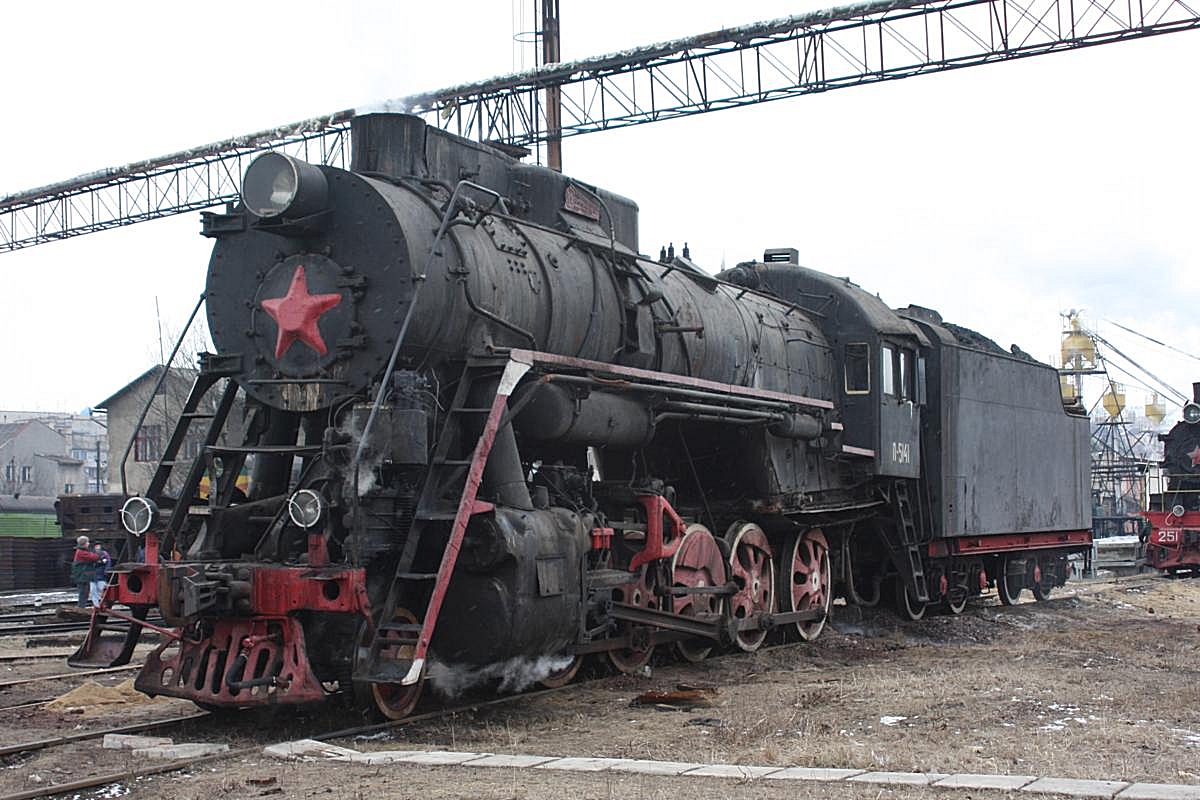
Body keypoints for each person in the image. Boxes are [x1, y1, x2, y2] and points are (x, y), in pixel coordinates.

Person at [71, 536, 100, 608]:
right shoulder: (82, 553)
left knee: (84, 593)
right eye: (87, 542)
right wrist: (97, 551)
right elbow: (94, 557)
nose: (88, 543)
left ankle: (82, 607)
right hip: (82, 576)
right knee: (83, 593)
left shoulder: (81, 551)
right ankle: (81, 608)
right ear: (84, 544)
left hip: (83, 576)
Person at [90, 542, 112, 607]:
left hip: (101, 575)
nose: (97, 547)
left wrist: (106, 571)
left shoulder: (104, 554)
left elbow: (108, 563)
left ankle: (105, 604)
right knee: (93, 591)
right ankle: (96, 605)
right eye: (96, 546)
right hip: (93, 576)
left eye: (98, 546)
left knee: (103, 590)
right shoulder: (91, 554)